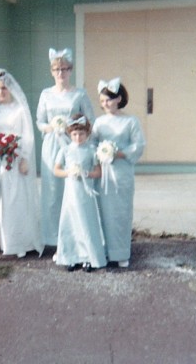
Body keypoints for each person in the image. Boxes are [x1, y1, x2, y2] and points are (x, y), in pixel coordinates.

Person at [36, 48, 95, 247]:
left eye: (65, 69)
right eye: (57, 69)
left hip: (73, 144)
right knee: (52, 191)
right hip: (52, 145)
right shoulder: (46, 94)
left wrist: (73, 131)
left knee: (73, 190)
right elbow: (40, 122)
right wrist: (52, 127)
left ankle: (76, 236)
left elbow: (89, 120)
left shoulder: (79, 94)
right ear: (52, 72)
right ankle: (53, 237)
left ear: (71, 70)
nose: (61, 73)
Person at [0, 69, 44, 258]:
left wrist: (24, 157)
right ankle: (10, 242)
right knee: (6, 200)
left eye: (4, 88)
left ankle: (25, 241)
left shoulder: (20, 109)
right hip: (2, 162)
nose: (1, 92)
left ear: (11, 89)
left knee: (20, 199)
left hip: (20, 160)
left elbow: (28, 135)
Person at [91, 77, 145, 268]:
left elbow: (138, 145)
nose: (105, 104)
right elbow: (92, 143)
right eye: (102, 101)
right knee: (103, 212)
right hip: (104, 174)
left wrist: (119, 153)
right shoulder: (99, 123)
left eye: (109, 100)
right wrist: (99, 155)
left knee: (120, 212)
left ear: (119, 99)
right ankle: (104, 251)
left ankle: (121, 253)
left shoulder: (130, 121)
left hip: (122, 173)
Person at [54, 114, 107, 272]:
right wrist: (69, 172)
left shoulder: (91, 150)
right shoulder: (65, 150)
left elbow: (98, 172)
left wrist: (85, 173)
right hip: (71, 194)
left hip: (85, 193)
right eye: (74, 134)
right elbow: (56, 170)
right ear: (70, 134)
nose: (78, 137)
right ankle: (71, 257)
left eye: (81, 134)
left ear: (87, 133)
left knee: (86, 222)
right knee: (70, 222)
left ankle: (88, 258)